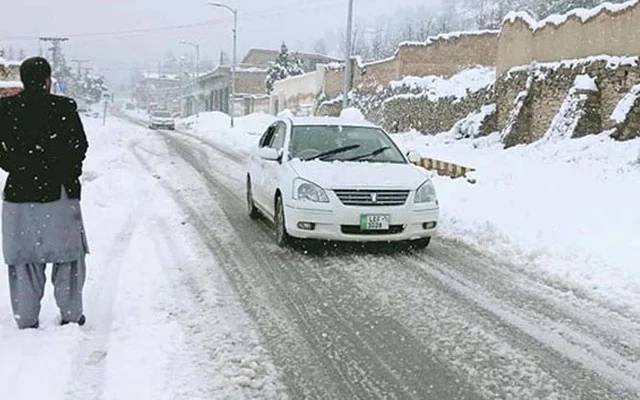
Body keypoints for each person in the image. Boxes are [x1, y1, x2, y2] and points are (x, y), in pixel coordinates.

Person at [0, 57, 89, 329]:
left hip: (19, 196)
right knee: (68, 259)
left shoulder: (6, 109)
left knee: (24, 260)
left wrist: (16, 165)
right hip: (59, 195)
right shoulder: (63, 107)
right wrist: (65, 170)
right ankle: (71, 315)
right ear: (48, 80)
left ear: (24, 80)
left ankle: (26, 318)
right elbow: (80, 145)